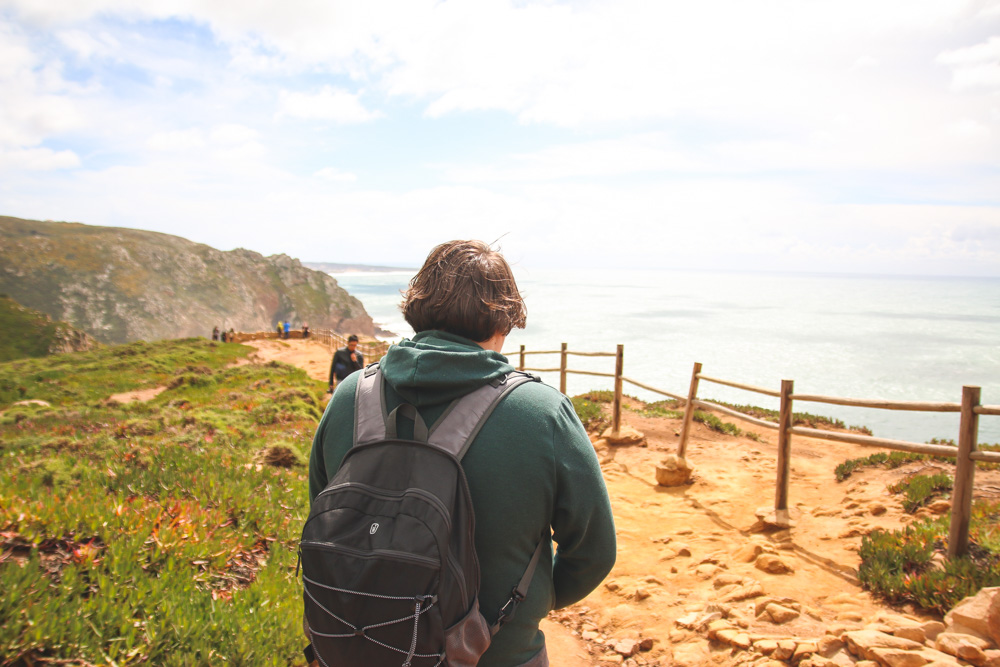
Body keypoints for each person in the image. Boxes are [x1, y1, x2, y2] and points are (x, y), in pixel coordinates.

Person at [308, 240, 616, 667]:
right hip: (498, 653)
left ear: (416, 309)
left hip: (358, 648)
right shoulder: (543, 414)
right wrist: (530, 604)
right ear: (505, 322)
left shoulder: (348, 398)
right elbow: (594, 552)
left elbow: (325, 513)